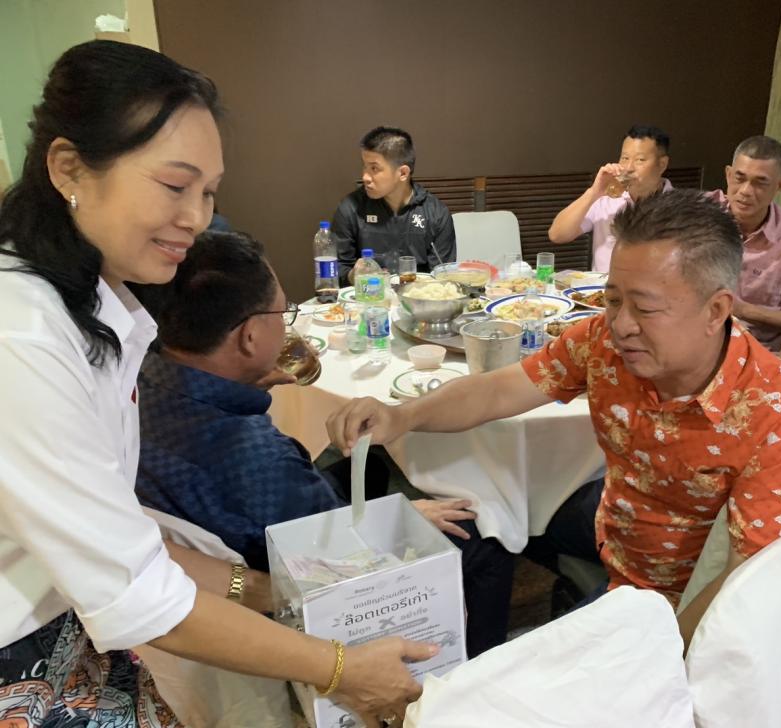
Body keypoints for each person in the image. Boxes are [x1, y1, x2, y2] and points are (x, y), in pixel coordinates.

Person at [0, 40, 431, 728]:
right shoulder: (21, 333)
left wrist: (260, 588)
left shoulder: (99, 304)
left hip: (75, 620)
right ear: (68, 167)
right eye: (175, 186)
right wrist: (340, 669)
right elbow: (139, 593)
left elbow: (116, 525)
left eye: (208, 193)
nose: (197, 219)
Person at [329, 190, 781, 650]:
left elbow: (747, 581)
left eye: (644, 308)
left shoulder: (777, 413)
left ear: (716, 310)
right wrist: (401, 417)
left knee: (551, 670)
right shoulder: (602, 342)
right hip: (614, 523)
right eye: (613, 299)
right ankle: (480, 658)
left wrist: (659, 658)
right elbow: (499, 390)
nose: (621, 324)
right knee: (487, 520)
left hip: (672, 601)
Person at [134, 229, 514, 657]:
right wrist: (401, 518)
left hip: (221, 528)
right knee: (488, 540)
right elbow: (336, 558)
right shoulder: (259, 457)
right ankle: (469, 672)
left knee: (367, 463)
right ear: (250, 337)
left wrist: (246, 382)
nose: (287, 323)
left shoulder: (140, 378)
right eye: (283, 312)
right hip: (307, 578)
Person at [709, 136, 781, 352]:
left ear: (780, 185)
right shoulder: (701, 212)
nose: (745, 191)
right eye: (739, 178)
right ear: (728, 175)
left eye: (760, 183)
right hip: (699, 340)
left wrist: (744, 310)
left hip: (758, 349)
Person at [332, 126, 456, 283]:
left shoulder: (436, 214)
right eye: (364, 166)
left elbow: (444, 276)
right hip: (369, 295)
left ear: (403, 173)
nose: (365, 177)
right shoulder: (350, 208)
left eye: (374, 168)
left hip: (418, 295)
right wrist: (352, 275)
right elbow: (335, 268)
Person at [548, 124, 673, 272]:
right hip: (603, 286)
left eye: (640, 160)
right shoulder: (606, 199)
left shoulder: (679, 206)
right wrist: (594, 193)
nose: (629, 168)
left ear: (662, 164)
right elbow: (557, 235)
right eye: (625, 158)